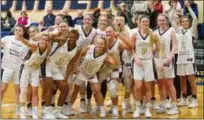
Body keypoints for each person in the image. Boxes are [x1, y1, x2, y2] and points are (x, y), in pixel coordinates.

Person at [69, 37, 120, 117]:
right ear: (96, 43)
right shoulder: (89, 48)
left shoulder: (106, 56)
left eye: (101, 44)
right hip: (81, 72)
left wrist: (112, 55)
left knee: (97, 91)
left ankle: (102, 109)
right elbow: (80, 55)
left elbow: (116, 64)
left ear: (104, 46)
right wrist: (76, 66)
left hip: (92, 74)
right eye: (98, 43)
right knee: (75, 89)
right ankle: (69, 107)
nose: (99, 45)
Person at [130, 15, 162, 118]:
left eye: (146, 22)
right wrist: (136, 57)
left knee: (148, 87)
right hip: (138, 63)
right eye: (143, 21)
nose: (145, 23)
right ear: (139, 23)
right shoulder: (135, 35)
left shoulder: (153, 35)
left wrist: (157, 57)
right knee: (138, 86)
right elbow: (131, 49)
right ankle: (138, 108)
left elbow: (159, 48)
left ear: (149, 23)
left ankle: (148, 109)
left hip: (148, 62)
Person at [19, 33, 51, 119]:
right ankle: (22, 113)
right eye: (42, 39)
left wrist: (47, 57)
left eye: (46, 40)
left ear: (49, 42)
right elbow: (28, 43)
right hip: (26, 68)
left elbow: (46, 55)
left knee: (35, 91)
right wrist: (22, 38)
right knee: (24, 90)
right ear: (40, 39)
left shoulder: (48, 48)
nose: (44, 41)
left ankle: (34, 113)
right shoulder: (35, 46)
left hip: (36, 70)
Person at [1, 25, 29, 116]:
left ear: (23, 32)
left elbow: (24, 57)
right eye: (16, 30)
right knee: (3, 89)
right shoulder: (8, 38)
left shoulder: (26, 44)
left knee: (18, 90)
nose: (17, 31)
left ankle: (18, 108)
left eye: (19, 30)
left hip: (17, 68)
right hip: (6, 67)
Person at [105, 26, 133, 117]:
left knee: (128, 85)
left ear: (114, 33)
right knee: (112, 89)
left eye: (110, 32)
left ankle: (127, 104)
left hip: (120, 67)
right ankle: (114, 107)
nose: (108, 33)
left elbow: (130, 47)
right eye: (107, 32)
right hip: (107, 68)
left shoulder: (118, 43)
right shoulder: (102, 42)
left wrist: (121, 36)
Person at [154, 14, 178, 115]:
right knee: (160, 84)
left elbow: (175, 45)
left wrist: (171, 55)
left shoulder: (171, 30)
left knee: (169, 83)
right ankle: (163, 105)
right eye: (159, 21)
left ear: (167, 21)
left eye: (163, 20)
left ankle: (174, 106)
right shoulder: (154, 33)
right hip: (158, 60)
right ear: (157, 22)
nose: (161, 22)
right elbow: (154, 48)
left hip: (168, 60)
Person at [176, 2, 198, 108]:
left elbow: (195, 19)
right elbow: (172, 20)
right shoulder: (177, 32)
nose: (185, 23)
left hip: (189, 59)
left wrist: (188, 8)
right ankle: (184, 99)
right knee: (182, 80)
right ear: (181, 23)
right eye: (183, 21)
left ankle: (194, 100)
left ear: (188, 23)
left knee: (192, 79)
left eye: (186, 21)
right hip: (180, 59)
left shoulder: (191, 31)